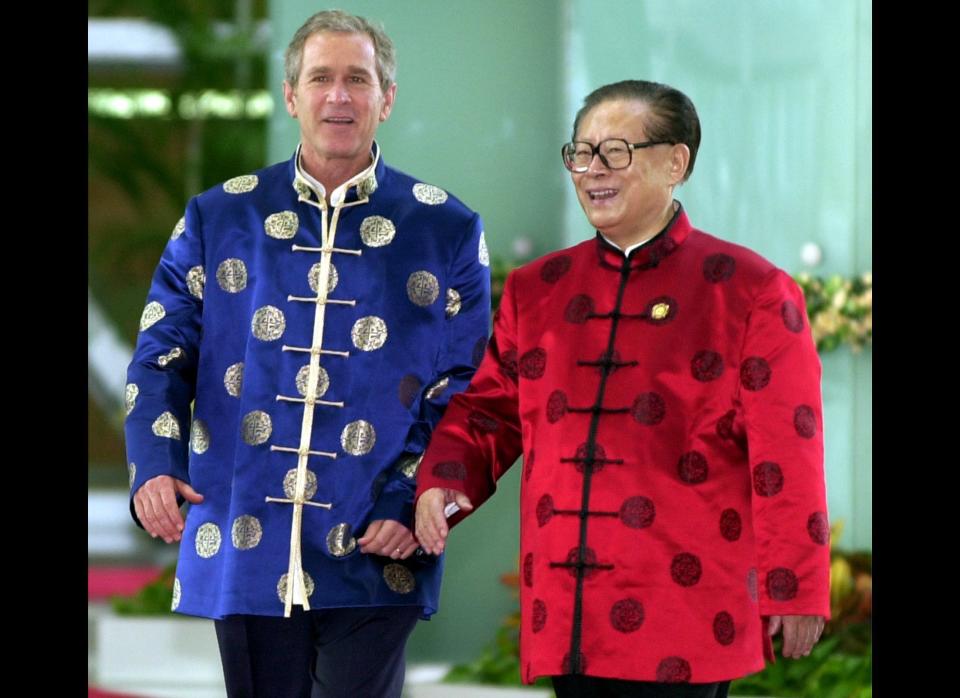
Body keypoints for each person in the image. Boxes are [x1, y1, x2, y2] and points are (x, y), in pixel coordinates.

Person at [415, 79, 829, 698]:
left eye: (615, 152)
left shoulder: (750, 291)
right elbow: (490, 412)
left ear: (675, 162)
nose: (591, 170)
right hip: (566, 607)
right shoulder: (539, 289)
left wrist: (794, 584)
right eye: (580, 153)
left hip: (684, 612)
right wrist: (445, 477)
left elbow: (787, 453)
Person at [124, 9, 491, 697]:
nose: (340, 96)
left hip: (378, 540)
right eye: (321, 78)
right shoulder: (218, 216)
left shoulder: (446, 228)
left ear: (388, 97)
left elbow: (467, 386)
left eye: (359, 79)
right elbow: (159, 357)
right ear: (292, 96)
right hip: (242, 534)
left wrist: (410, 494)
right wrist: (154, 464)